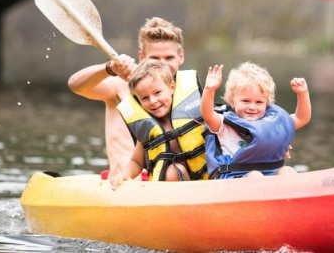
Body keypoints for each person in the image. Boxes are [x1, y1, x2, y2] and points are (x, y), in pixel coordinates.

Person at [67, 17, 193, 180]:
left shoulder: (190, 95)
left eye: (169, 58)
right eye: (154, 59)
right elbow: (76, 85)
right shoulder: (121, 85)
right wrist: (108, 69)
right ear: (141, 57)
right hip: (130, 181)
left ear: (180, 56)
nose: (163, 64)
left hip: (174, 181)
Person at [200, 62, 311, 179]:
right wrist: (209, 89)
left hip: (270, 173)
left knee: (287, 170)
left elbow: (301, 118)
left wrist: (302, 93)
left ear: (267, 104)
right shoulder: (224, 125)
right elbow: (208, 115)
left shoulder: (273, 126)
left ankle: (293, 195)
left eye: (259, 102)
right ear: (232, 101)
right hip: (236, 177)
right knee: (255, 175)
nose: (252, 107)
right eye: (245, 101)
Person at [110, 59, 207, 189]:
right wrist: (125, 175)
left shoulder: (194, 113)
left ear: (171, 88)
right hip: (172, 187)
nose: (153, 101)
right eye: (144, 98)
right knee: (173, 172)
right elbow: (136, 162)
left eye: (157, 93)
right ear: (138, 100)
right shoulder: (148, 128)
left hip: (207, 182)